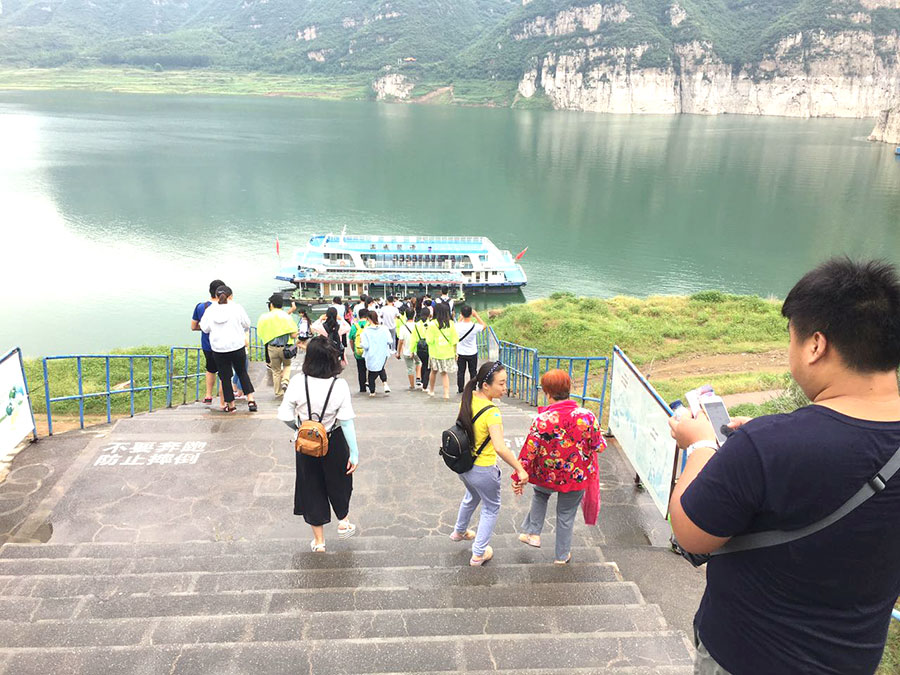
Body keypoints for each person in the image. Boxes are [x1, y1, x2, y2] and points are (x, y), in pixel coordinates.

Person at [668, 258, 900, 675]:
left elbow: (690, 533)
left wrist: (699, 444)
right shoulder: (772, 442)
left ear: (816, 345)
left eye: (791, 339)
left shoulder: (768, 445)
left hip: (749, 654)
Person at [277, 336, 359, 552]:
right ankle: (343, 521)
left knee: (311, 486)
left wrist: (298, 429)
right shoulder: (339, 385)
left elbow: (284, 414)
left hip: (306, 443)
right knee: (340, 481)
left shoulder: (297, 381)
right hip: (334, 440)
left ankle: (320, 542)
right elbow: (346, 422)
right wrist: (355, 453)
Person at [517, 370, 605, 564]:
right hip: (576, 477)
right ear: (569, 389)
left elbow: (529, 450)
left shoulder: (542, 420)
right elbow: (598, 446)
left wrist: (519, 475)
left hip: (546, 475)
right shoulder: (587, 416)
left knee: (540, 495)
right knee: (566, 515)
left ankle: (533, 533)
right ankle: (561, 556)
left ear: (547, 392)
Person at [451, 361, 529, 566]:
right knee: (491, 507)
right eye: (501, 384)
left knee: (472, 496)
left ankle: (459, 531)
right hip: (483, 469)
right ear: (486, 385)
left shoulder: (469, 398)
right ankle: (478, 553)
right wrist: (520, 469)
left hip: (464, 465)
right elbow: (500, 447)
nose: (505, 388)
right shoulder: (492, 412)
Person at [199, 285, 257, 413]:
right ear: (230, 296)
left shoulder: (210, 310)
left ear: (216, 296)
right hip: (237, 346)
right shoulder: (237, 307)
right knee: (242, 372)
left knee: (225, 378)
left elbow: (204, 328)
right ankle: (251, 400)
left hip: (219, 349)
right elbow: (247, 324)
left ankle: (231, 405)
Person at [190, 278, 225, 405]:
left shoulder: (201, 307)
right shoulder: (226, 307)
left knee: (210, 369)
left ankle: (208, 395)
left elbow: (193, 326)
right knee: (224, 373)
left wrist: (206, 328)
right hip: (223, 346)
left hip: (207, 345)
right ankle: (223, 401)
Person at [257, 294, 299, 396]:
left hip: (271, 348)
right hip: (285, 348)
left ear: (271, 305)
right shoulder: (286, 317)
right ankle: (285, 381)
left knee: (275, 371)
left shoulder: (264, 317)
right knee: (287, 365)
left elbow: (260, 333)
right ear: (282, 305)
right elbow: (293, 335)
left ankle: (278, 392)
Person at [425, 302, 459, 399]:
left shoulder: (432, 324)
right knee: (444, 374)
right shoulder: (451, 324)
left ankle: (431, 390)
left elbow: (429, 341)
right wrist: (455, 352)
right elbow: (454, 340)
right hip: (447, 353)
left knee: (433, 371)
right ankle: (446, 394)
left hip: (435, 352)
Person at [455, 305, 486, 394]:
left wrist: (460, 318)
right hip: (472, 352)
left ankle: (460, 389)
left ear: (461, 314)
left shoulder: (457, 326)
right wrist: (476, 316)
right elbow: (484, 326)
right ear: (471, 314)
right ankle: (473, 389)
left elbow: (457, 325)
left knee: (461, 371)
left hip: (460, 352)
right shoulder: (475, 326)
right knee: (473, 371)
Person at [361, 311, 393, 397]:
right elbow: (390, 341)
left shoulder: (366, 331)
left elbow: (366, 346)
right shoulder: (384, 329)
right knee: (380, 367)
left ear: (368, 319)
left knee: (371, 373)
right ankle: (385, 383)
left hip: (371, 354)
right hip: (383, 353)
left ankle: (372, 392)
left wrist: (361, 345)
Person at [395, 307, 420, 390]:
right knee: (419, 362)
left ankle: (412, 385)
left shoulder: (403, 327)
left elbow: (401, 341)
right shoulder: (418, 325)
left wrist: (398, 352)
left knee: (410, 368)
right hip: (417, 350)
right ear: (414, 315)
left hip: (407, 351)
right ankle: (419, 378)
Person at [348, 309, 369, 394]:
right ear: (367, 316)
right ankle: (371, 386)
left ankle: (362, 388)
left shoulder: (354, 326)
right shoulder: (369, 325)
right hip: (368, 352)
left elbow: (351, 340)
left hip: (358, 351)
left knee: (361, 370)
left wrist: (354, 350)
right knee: (371, 369)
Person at [414, 308, 431, 390]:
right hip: (428, 347)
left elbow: (413, 339)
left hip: (419, 348)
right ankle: (425, 384)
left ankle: (421, 381)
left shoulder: (416, 325)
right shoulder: (431, 325)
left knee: (423, 364)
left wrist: (412, 350)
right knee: (427, 366)